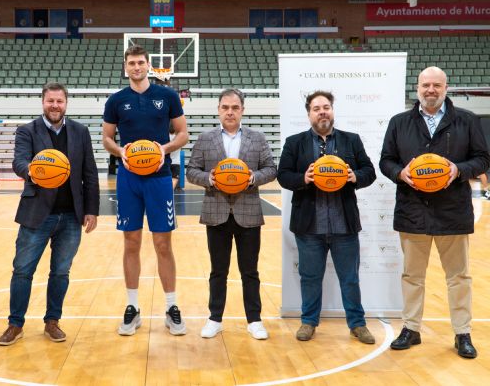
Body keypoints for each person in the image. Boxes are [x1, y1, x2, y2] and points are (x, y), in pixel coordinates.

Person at [379, 66, 490, 359]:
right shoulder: (400, 122)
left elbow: (482, 159)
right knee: (412, 276)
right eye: (426, 85)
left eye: (436, 85)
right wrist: (400, 173)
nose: (431, 90)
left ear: (446, 88)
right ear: (417, 87)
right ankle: (411, 328)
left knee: (459, 277)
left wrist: (458, 170)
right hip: (412, 210)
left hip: (453, 211)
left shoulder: (466, 120)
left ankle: (462, 333)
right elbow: (385, 160)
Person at [0, 82, 100, 346]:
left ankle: (52, 321)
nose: (55, 106)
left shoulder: (80, 131)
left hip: (70, 216)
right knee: (22, 271)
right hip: (37, 213)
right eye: (50, 101)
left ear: (66, 104)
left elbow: (89, 173)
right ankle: (15, 324)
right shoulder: (27, 131)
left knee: (61, 272)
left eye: (59, 101)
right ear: (42, 102)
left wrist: (91, 210)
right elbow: (18, 161)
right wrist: (33, 170)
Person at [277, 90, 377, 344]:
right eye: (316, 108)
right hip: (309, 226)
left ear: (332, 110)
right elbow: (283, 175)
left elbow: (369, 171)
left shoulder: (351, 140)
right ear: (309, 113)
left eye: (326, 107)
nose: (322, 112)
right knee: (310, 277)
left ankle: (357, 324)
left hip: (344, 225)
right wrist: (304, 178)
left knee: (350, 278)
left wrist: (355, 176)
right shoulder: (295, 142)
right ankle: (308, 322)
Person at [102, 45, 189, 336]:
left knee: (163, 244)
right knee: (131, 242)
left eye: (140, 62)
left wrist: (163, 149)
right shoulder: (116, 100)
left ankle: (171, 306)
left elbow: (183, 133)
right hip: (128, 178)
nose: (136, 67)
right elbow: (106, 138)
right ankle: (132, 307)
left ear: (148, 66)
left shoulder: (167, 96)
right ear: (125, 67)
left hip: (160, 177)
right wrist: (120, 151)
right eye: (131, 63)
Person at [186, 88, 276, 340]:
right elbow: (191, 171)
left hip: (248, 212)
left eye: (235, 108)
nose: (230, 112)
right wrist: (209, 179)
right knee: (218, 271)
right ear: (218, 110)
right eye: (225, 107)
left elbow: (271, 169)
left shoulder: (257, 139)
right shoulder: (205, 139)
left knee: (250, 271)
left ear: (242, 111)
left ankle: (254, 320)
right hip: (216, 212)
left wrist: (252, 178)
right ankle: (215, 318)